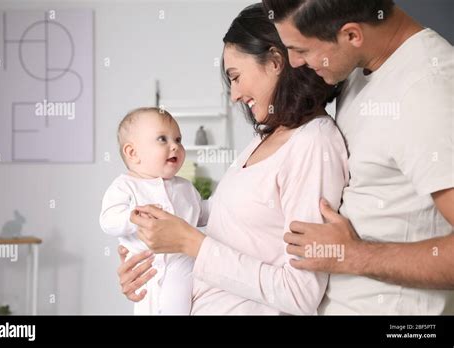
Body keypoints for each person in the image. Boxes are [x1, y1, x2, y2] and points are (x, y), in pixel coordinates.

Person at [118, 3, 348, 315]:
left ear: (276, 61)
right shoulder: (263, 139)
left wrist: (190, 243)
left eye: (236, 77)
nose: (234, 95)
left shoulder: (313, 143)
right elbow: (220, 224)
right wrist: (149, 259)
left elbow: (301, 293)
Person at [261, 0, 454, 314]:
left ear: (351, 35)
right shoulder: (361, 68)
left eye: (301, 49)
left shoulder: (427, 91)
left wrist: (351, 255)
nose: (294, 62)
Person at [100, 107, 209, 314]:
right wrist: (132, 217)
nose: (175, 146)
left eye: (178, 139)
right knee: (147, 306)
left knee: (179, 304)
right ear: (133, 153)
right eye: (163, 139)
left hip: (182, 263)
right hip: (147, 267)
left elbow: (201, 213)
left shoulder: (185, 187)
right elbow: (108, 220)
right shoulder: (125, 186)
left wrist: (220, 204)